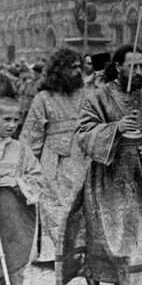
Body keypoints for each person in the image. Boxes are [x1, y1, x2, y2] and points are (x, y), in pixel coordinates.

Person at [73, 45, 142, 285]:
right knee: (111, 238)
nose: (138, 71)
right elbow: (83, 133)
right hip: (108, 178)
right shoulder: (99, 96)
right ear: (117, 67)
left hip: (140, 177)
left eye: (141, 66)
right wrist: (115, 128)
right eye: (132, 66)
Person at [18, 48, 90, 269]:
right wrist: (26, 166)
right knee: (53, 206)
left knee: (81, 205)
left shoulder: (88, 94)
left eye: (80, 66)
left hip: (82, 157)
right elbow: (32, 134)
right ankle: (54, 254)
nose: (79, 71)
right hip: (54, 162)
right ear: (60, 70)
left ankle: (80, 252)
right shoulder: (43, 98)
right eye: (73, 67)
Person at [0, 97, 42, 285]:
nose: (12, 125)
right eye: (6, 119)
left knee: (13, 266)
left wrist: (16, 182)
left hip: (13, 220)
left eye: (15, 120)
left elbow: (37, 178)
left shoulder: (21, 150)